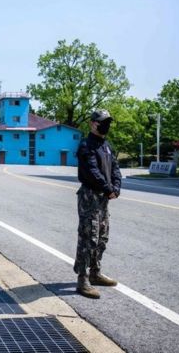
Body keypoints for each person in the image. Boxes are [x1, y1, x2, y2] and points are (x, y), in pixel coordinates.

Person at [74, 110, 122, 299]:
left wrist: (116, 188)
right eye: (103, 122)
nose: (106, 125)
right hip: (90, 197)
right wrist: (108, 187)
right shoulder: (86, 146)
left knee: (102, 236)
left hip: (103, 198)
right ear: (93, 124)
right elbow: (92, 171)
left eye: (108, 122)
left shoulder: (106, 146)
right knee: (88, 237)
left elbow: (115, 168)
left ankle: (95, 273)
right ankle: (82, 278)